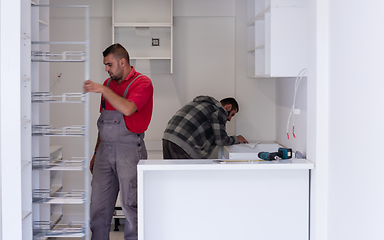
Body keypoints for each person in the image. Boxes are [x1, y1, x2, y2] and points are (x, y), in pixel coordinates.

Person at [83, 43, 153, 240]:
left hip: (129, 149)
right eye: (105, 65)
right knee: (98, 206)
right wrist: (96, 153)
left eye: (109, 64)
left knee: (131, 206)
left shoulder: (142, 83)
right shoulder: (108, 84)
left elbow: (129, 108)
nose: (106, 69)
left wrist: (103, 91)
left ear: (122, 62)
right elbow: (103, 122)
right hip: (104, 150)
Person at [162, 95, 248, 159]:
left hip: (168, 138)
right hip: (183, 144)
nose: (229, 119)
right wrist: (237, 139)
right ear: (228, 107)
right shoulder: (219, 110)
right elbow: (221, 140)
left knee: (172, 177)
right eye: (232, 114)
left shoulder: (200, 103)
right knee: (187, 179)